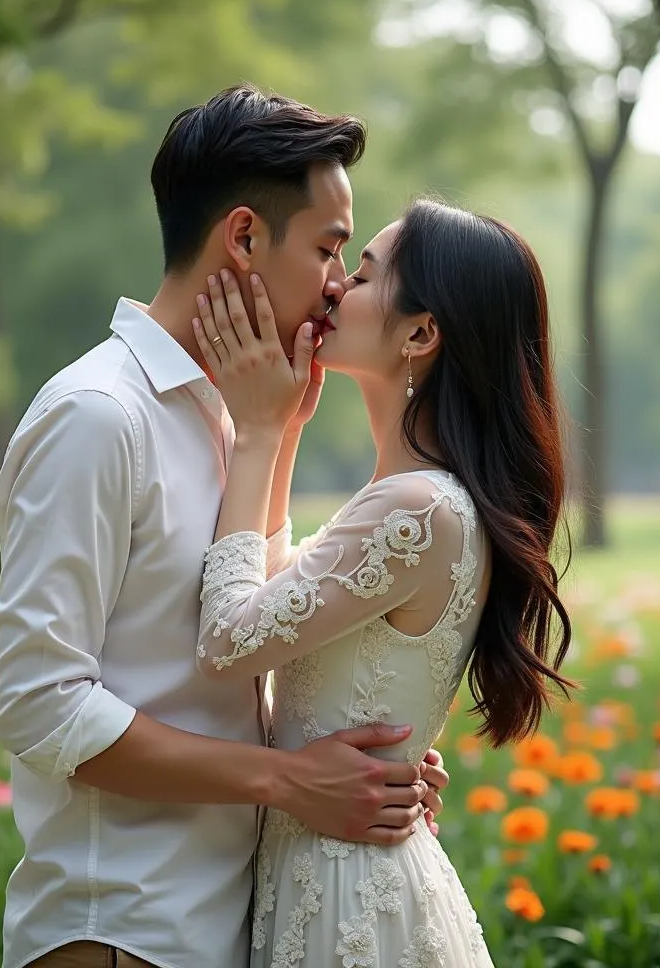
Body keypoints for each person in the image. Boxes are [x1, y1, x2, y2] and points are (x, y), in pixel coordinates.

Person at [0, 86, 449, 968]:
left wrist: (355, 764)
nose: (338, 283)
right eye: (327, 247)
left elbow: (242, 655)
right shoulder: (98, 416)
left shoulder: (235, 420)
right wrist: (290, 782)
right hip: (122, 931)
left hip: (231, 924)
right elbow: (38, 705)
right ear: (243, 237)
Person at [191, 198, 576, 966]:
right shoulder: (423, 499)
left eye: (362, 274)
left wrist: (258, 431)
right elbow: (274, 609)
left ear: (421, 333)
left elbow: (227, 640)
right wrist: (289, 430)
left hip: (347, 895)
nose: (332, 287)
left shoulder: (416, 509)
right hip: (339, 869)